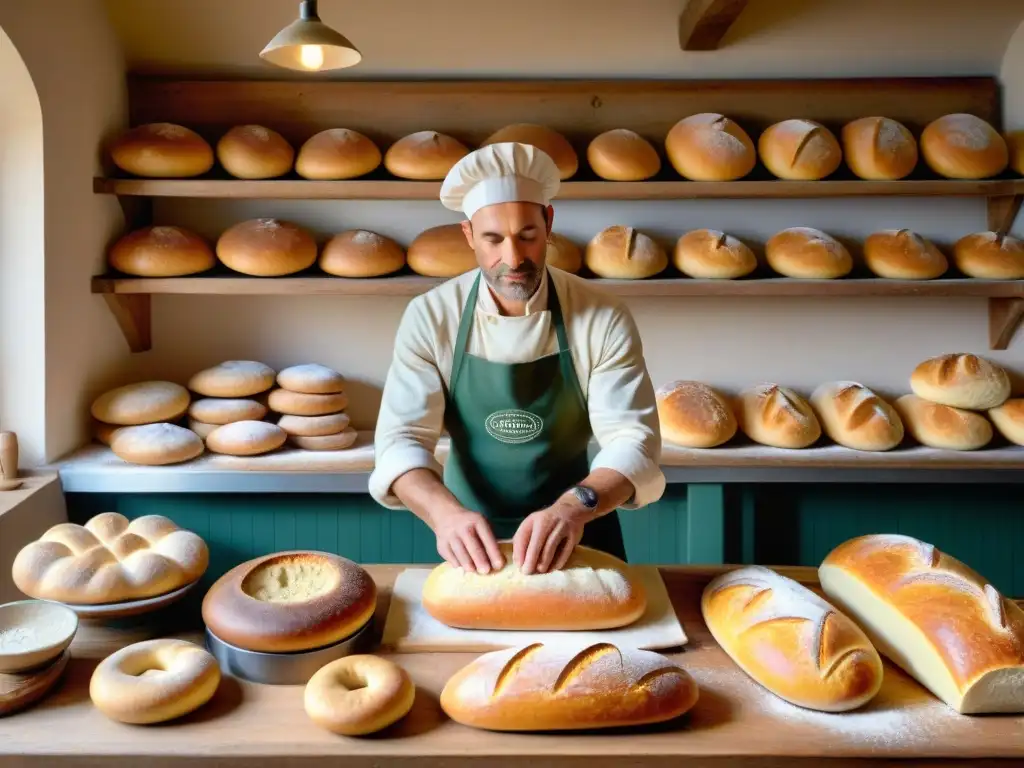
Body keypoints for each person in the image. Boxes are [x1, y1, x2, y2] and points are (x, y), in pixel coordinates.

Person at [369, 141, 665, 576]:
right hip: (469, 539)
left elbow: (632, 440)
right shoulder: (432, 316)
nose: (513, 258)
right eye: (492, 239)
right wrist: (444, 516)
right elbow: (401, 441)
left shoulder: (601, 315)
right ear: (468, 234)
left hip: (580, 528)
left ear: (548, 223)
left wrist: (571, 510)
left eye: (527, 235)